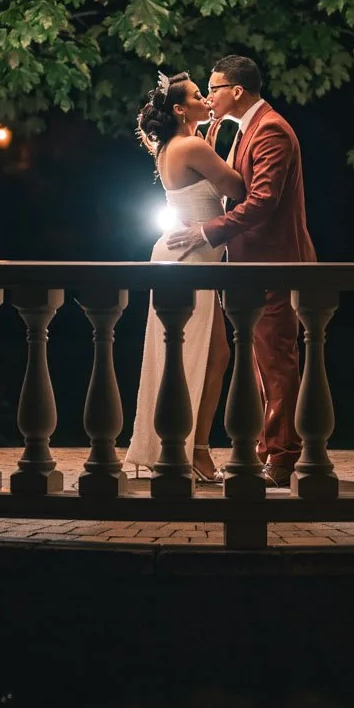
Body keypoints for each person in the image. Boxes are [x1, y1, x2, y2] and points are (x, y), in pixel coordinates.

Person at [166, 54, 315, 486]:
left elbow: (263, 201)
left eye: (212, 88)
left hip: (273, 260)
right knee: (258, 360)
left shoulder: (271, 130)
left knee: (276, 359)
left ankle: (282, 456)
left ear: (235, 91)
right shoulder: (231, 127)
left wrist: (207, 232)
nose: (208, 96)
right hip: (247, 262)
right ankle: (265, 447)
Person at [126, 71, 246, 484]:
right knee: (194, 355)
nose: (206, 98)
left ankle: (187, 446)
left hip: (188, 255)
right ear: (180, 109)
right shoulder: (191, 145)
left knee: (208, 355)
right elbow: (237, 186)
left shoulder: (182, 145)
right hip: (190, 257)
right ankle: (189, 448)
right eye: (198, 95)